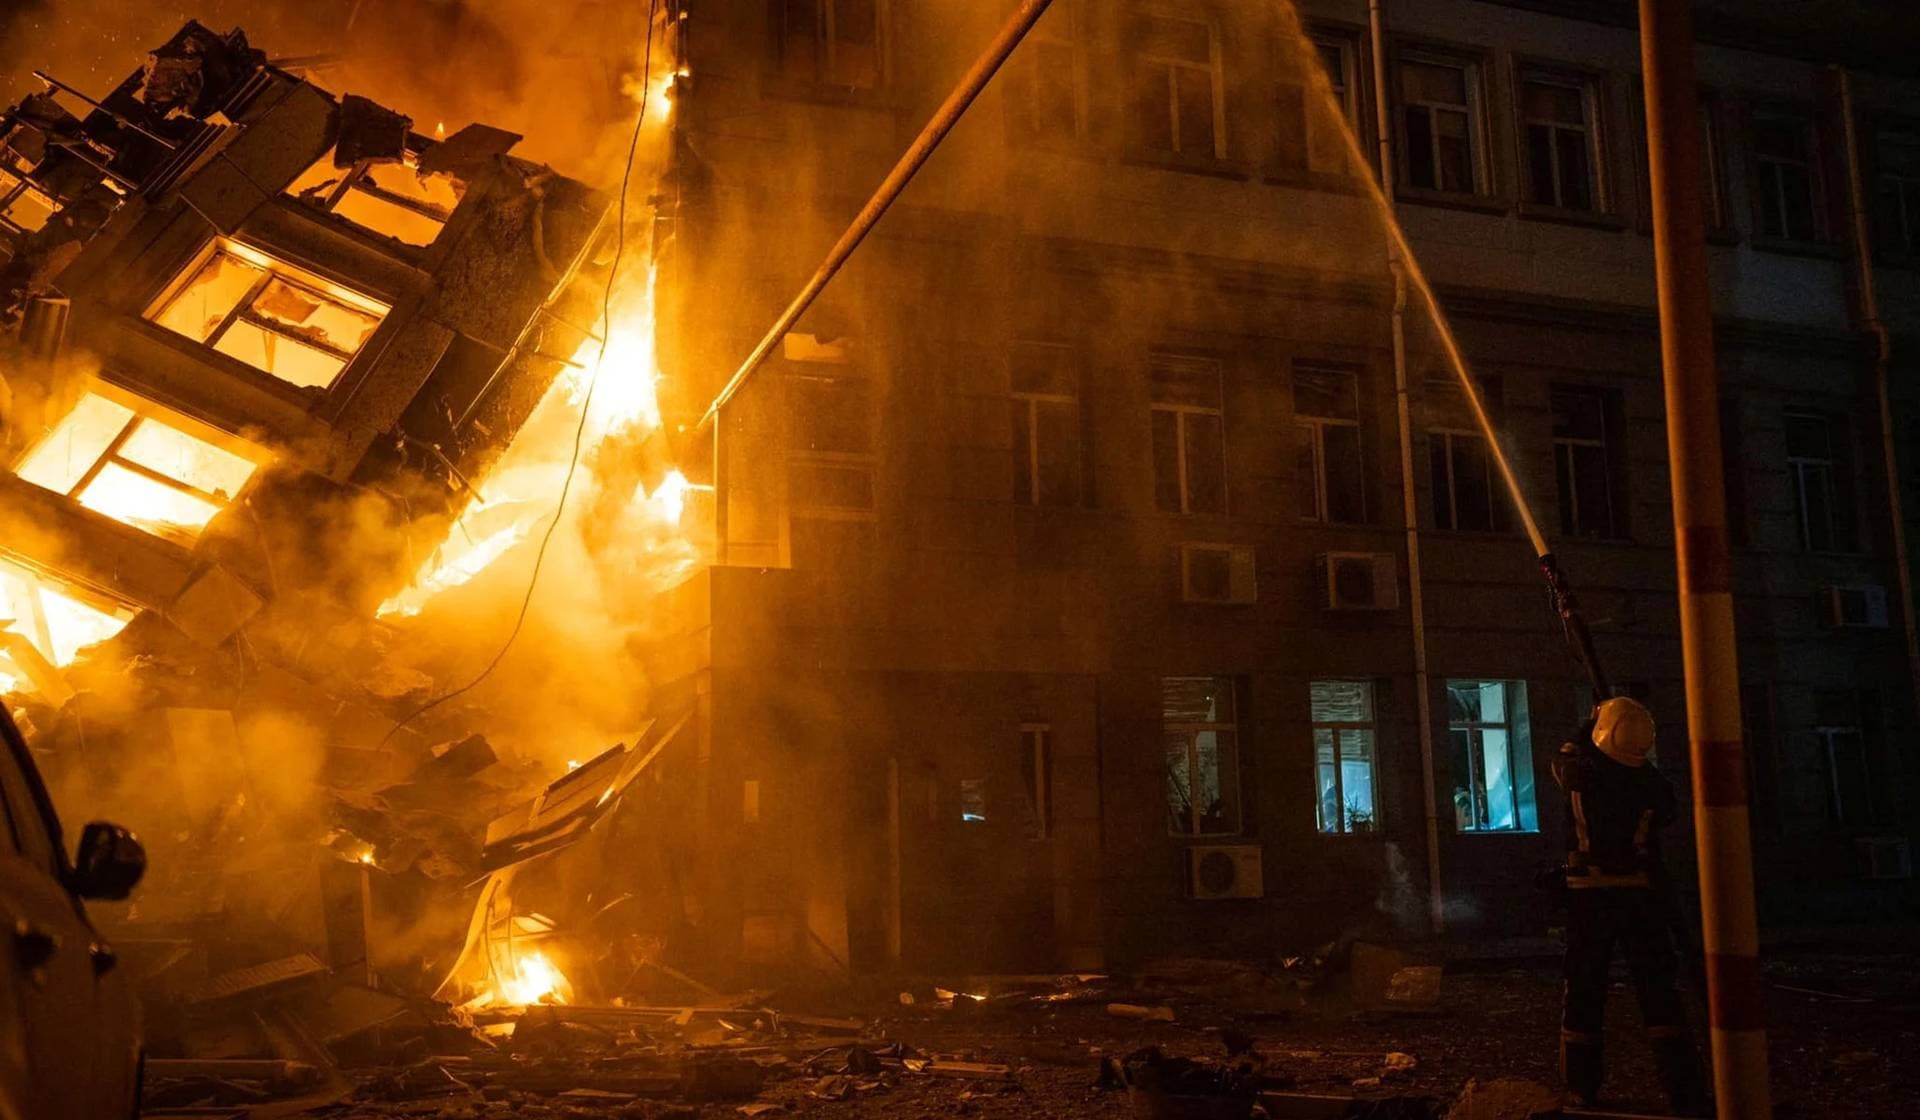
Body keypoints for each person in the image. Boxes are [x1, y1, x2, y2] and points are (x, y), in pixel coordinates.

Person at [1553, 696, 1708, 1115]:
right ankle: (1683, 1088)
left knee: (1584, 993)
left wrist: (1589, 722)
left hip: (1590, 898)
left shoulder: (1581, 774)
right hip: (1641, 895)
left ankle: (1582, 1086)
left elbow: (1566, 758)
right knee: (1659, 993)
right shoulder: (1651, 786)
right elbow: (1667, 804)